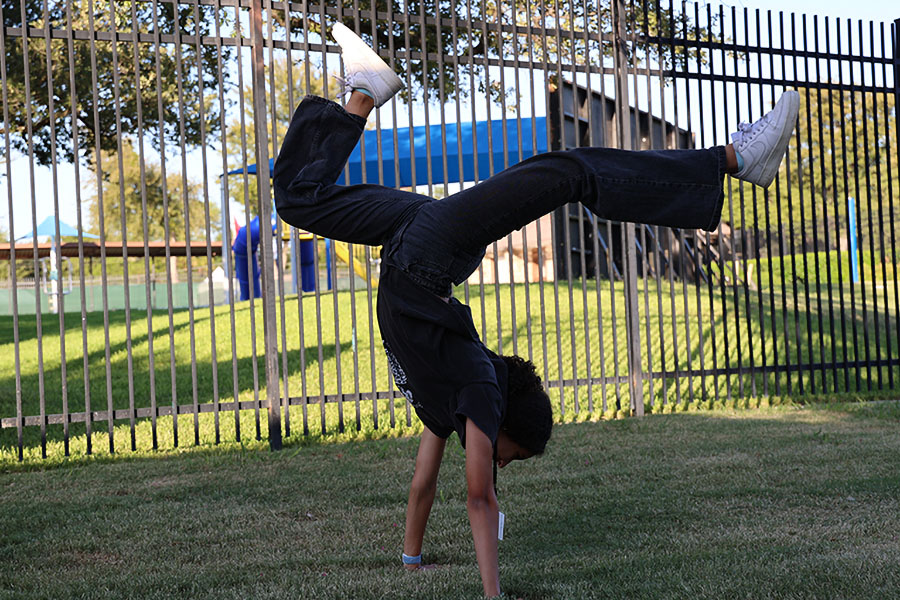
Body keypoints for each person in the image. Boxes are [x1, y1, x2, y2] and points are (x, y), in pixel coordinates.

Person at [273, 22, 800, 598]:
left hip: (416, 244)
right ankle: (732, 159)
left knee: (300, 200)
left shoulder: (445, 405)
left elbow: (423, 485)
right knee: (568, 172)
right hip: (425, 249)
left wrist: (411, 556)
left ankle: (365, 92)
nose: (503, 465)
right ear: (504, 424)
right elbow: (478, 497)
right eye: (513, 455)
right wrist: (493, 593)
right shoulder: (478, 389)